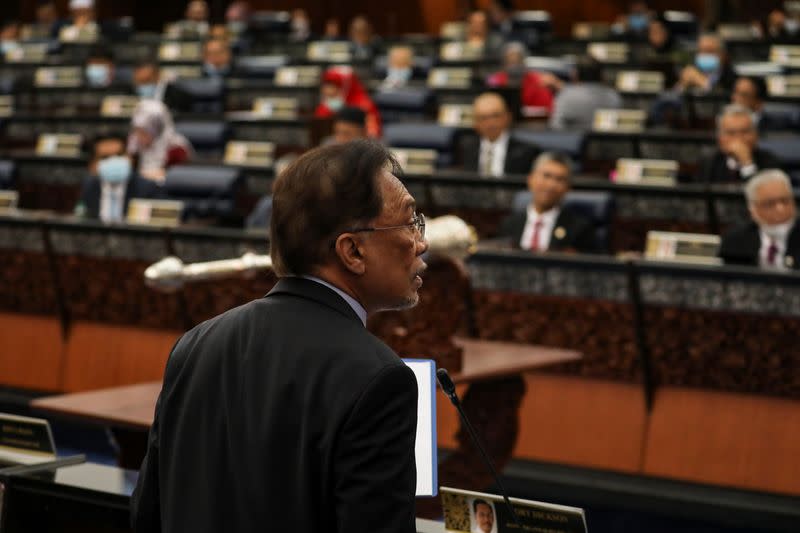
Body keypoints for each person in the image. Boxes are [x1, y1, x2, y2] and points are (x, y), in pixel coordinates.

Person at [132, 140, 424, 533]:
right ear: (352, 251)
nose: (421, 242)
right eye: (409, 222)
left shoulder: (195, 344)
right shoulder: (379, 378)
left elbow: (147, 514)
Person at [497, 151, 596, 253]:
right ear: (530, 180)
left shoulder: (579, 229)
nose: (551, 185)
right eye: (546, 176)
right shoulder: (509, 224)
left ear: (568, 188)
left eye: (560, 179)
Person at [719, 169, 800, 270]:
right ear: (753, 209)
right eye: (770, 203)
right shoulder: (735, 241)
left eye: (785, 200)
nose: (780, 209)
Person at [75, 136, 164, 222]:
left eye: (119, 155)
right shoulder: (89, 188)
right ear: (92, 166)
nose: (114, 161)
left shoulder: (148, 189)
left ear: (130, 158)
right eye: (105, 157)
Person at [694, 104, 781, 184]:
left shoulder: (771, 164)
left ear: (755, 136)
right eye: (731, 133)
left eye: (744, 132)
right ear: (720, 138)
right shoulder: (708, 164)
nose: (738, 138)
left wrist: (747, 164)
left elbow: (762, 198)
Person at [460, 92, 539, 177]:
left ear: (508, 117)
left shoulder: (527, 151)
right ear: (475, 122)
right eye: (483, 118)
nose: (490, 123)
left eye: (495, 116)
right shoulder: (465, 148)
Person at [127, 100, 193, 182]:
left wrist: (141, 175)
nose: (137, 137)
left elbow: (176, 178)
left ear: (157, 130)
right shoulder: (137, 146)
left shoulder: (177, 149)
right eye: (136, 131)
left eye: (143, 132)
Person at [549, 58, 622, 131]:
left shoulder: (566, 95)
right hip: (603, 140)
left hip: (571, 140)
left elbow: (556, 126)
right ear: (602, 75)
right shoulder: (613, 96)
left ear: (575, 75)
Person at [486, 42, 557, 114]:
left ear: (523, 61)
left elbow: (546, 109)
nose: (514, 66)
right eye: (510, 61)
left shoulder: (538, 80)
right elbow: (488, 105)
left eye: (517, 61)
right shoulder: (494, 80)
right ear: (504, 62)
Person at [315, 67, 382, 137]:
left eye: (335, 87)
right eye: (326, 86)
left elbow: (373, 133)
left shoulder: (364, 105)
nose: (328, 91)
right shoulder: (325, 106)